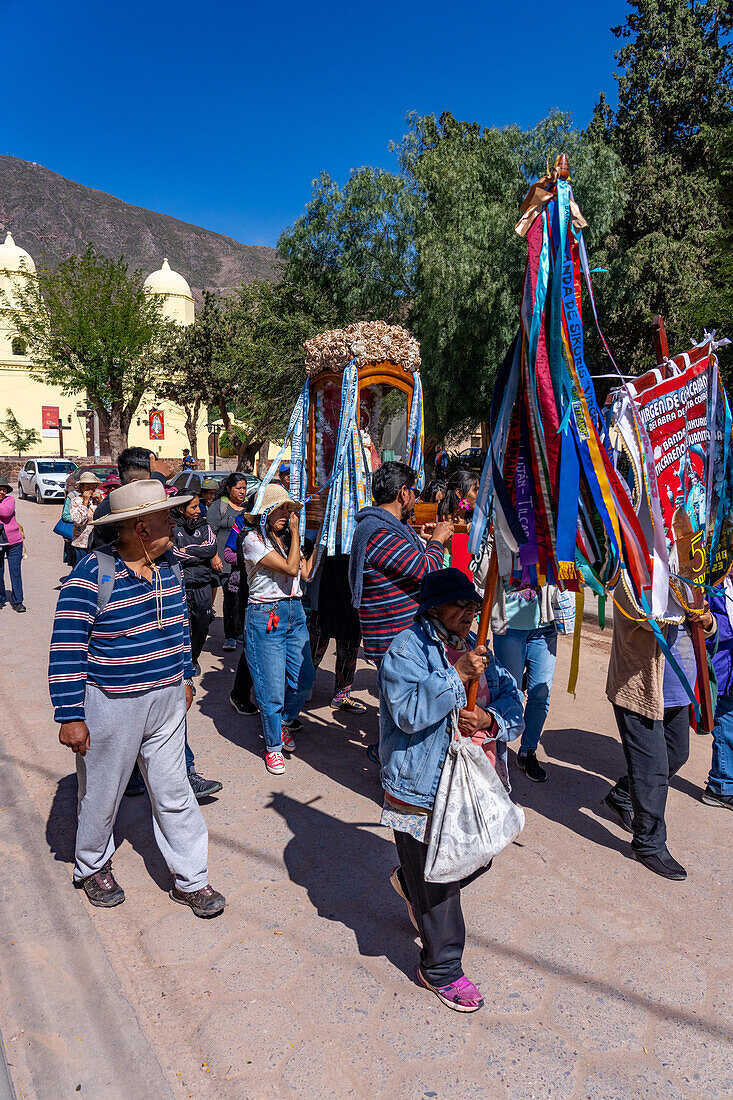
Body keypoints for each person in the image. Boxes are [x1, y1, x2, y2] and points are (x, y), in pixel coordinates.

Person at [48, 479, 225, 917]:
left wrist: (185, 677)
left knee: (174, 791)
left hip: (166, 702)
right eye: (166, 516)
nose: (175, 520)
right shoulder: (94, 574)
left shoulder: (167, 568)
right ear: (140, 527)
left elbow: (181, 627)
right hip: (112, 705)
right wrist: (71, 715)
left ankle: (191, 879)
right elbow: (67, 648)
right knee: (102, 793)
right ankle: (92, 866)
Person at [379, 569, 524, 1011]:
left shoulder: (477, 649)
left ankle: (410, 880)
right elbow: (407, 714)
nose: (468, 615)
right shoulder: (405, 650)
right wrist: (455, 675)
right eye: (459, 607)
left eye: (472, 607)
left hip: (470, 788)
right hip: (419, 789)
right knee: (441, 889)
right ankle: (441, 969)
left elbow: (512, 702)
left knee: (476, 855)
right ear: (433, 608)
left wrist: (489, 720)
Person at [603, 579, 716, 880]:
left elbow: (708, 621)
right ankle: (648, 843)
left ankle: (624, 795)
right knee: (651, 769)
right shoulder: (630, 572)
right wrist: (688, 606)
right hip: (640, 690)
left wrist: (706, 618)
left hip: (679, 690)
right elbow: (642, 616)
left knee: (677, 754)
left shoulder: (687, 575)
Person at [349, 461, 453, 762]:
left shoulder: (391, 528)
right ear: (403, 494)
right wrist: (437, 541)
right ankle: (395, 774)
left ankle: (390, 758)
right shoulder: (378, 532)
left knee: (400, 711)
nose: (417, 502)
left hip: (401, 636)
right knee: (405, 715)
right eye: (415, 495)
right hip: (394, 639)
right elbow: (427, 570)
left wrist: (425, 539)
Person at [239, 484, 316, 774]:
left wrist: (320, 539)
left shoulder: (285, 539)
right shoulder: (252, 539)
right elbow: (289, 569)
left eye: (289, 509)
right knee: (270, 687)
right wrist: (297, 533)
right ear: (265, 511)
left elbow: (304, 573)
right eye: (281, 509)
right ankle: (273, 746)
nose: (287, 514)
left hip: (294, 612)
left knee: (305, 679)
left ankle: (283, 722)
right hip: (265, 615)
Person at [170, 491, 223, 800]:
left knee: (201, 625)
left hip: (202, 584)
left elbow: (210, 547)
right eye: (192, 506)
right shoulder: (172, 528)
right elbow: (177, 554)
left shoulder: (204, 524)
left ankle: (187, 772)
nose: (198, 510)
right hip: (183, 585)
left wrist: (186, 675)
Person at [490, 572, 561, 785]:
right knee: (511, 694)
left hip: (545, 627)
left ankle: (528, 751)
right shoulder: (500, 538)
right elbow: (483, 574)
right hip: (509, 626)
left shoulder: (552, 537)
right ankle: (498, 752)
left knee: (541, 693)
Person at [309, 550, 365, 712]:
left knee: (351, 637)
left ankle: (342, 694)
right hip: (327, 568)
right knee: (317, 634)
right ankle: (303, 686)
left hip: (354, 575)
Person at [206, 473, 249, 650]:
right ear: (229, 489)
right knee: (230, 598)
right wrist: (214, 556)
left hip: (244, 564)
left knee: (244, 598)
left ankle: (241, 632)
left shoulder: (248, 507)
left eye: (244, 488)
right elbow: (210, 534)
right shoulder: (219, 506)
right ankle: (230, 635)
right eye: (238, 488)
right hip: (224, 562)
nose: (242, 491)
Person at [704, 579, 733, 809]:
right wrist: (712, 623)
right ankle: (721, 786)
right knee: (725, 726)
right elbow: (711, 626)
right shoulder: (715, 584)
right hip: (721, 666)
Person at [0, 475, 25, 612]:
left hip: (14, 541)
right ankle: (0, 598)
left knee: (15, 571)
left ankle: (17, 601)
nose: (1, 492)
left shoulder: (10, 500)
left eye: (4, 490)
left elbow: (5, 512)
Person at [68, 472, 103, 564]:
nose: (90, 487)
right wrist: (85, 501)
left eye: (93, 485)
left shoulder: (99, 500)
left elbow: (108, 513)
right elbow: (78, 520)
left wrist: (101, 500)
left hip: (98, 542)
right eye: (87, 485)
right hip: (82, 543)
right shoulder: (76, 501)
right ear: (81, 487)